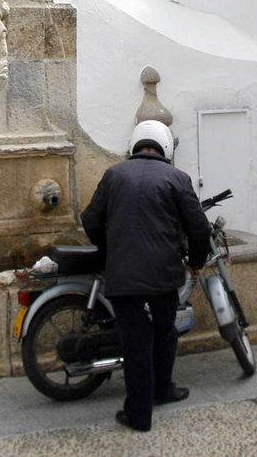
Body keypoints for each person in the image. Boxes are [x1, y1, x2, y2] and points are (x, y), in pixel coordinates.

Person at [81, 119, 212, 432]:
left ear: (135, 145)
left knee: (136, 342)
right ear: (165, 146)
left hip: (123, 278)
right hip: (164, 277)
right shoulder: (178, 178)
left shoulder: (114, 175)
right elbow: (199, 228)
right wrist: (195, 262)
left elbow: (90, 220)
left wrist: (108, 248)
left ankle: (139, 413)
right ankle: (162, 391)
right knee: (165, 333)